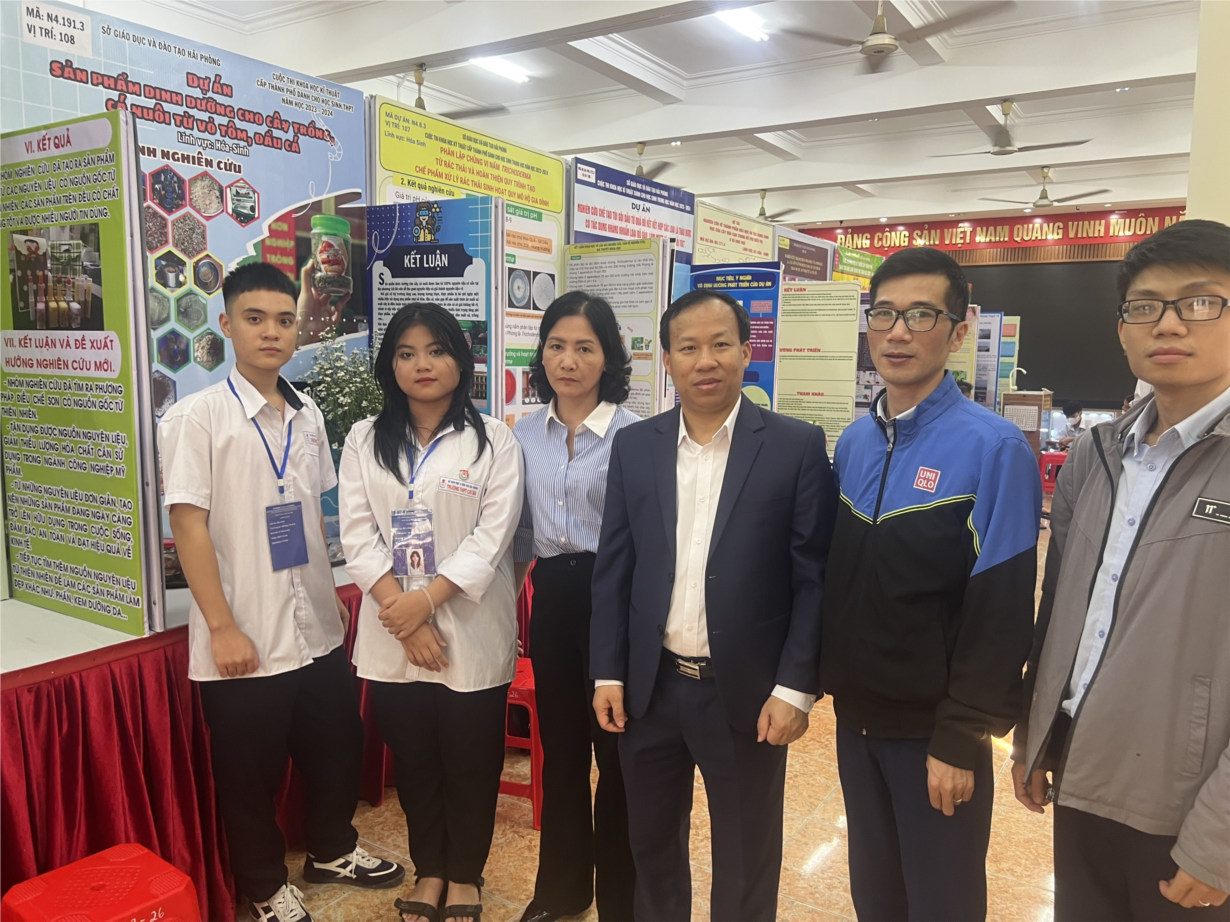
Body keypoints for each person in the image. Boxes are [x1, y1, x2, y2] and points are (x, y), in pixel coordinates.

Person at [160, 262, 404, 922]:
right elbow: (188, 524)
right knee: (250, 772)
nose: (271, 332)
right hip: (245, 631)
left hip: (313, 625)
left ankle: (332, 849)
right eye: (255, 318)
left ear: (299, 328)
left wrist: (331, 599)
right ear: (225, 324)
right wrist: (222, 627)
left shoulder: (308, 412)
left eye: (284, 320)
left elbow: (308, 514)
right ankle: (265, 886)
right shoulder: (196, 417)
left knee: (338, 743)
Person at [590, 290, 838, 922]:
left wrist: (795, 688)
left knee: (746, 856)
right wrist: (608, 671)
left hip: (749, 694)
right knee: (650, 846)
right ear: (667, 360)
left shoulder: (795, 447)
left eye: (721, 344)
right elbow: (615, 568)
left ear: (746, 352)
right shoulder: (635, 446)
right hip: (649, 689)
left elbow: (813, 578)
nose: (706, 360)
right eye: (689, 347)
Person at [1013, 219, 1230, 921]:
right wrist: (1034, 737)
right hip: (1083, 771)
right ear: (1122, 329)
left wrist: (1220, 838)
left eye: (1200, 301)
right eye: (1145, 306)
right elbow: (1061, 610)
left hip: (1190, 805)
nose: (1169, 323)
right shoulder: (1097, 452)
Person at [821, 247, 1041, 922]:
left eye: (921, 315)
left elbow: (1001, 611)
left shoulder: (994, 448)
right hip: (856, 723)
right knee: (876, 896)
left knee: (942, 902)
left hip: (934, 735)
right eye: (884, 314)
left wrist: (961, 737)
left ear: (958, 329)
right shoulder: (855, 442)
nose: (898, 332)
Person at [339, 303, 524, 922]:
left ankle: (465, 875)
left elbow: (492, 537)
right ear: (390, 365)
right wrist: (407, 615)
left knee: (471, 761)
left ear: (461, 361)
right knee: (416, 762)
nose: (423, 364)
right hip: (394, 633)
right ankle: (431, 871)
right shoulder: (364, 438)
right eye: (407, 353)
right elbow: (358, 534)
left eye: (437, 350)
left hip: (470, 630)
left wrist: (425, 602)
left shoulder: (494, 439)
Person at [512, 292, 639, 922]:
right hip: (554, 601)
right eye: (557, 346)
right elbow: (517, 531)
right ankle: (561, 891)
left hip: (616, 598)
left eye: (585, 347)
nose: (568, 360)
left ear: (608, 356)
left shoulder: (635, 435)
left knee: (617, 755)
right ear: (542, 354)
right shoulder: (521, 432)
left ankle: (621, 899)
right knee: (560, 750)